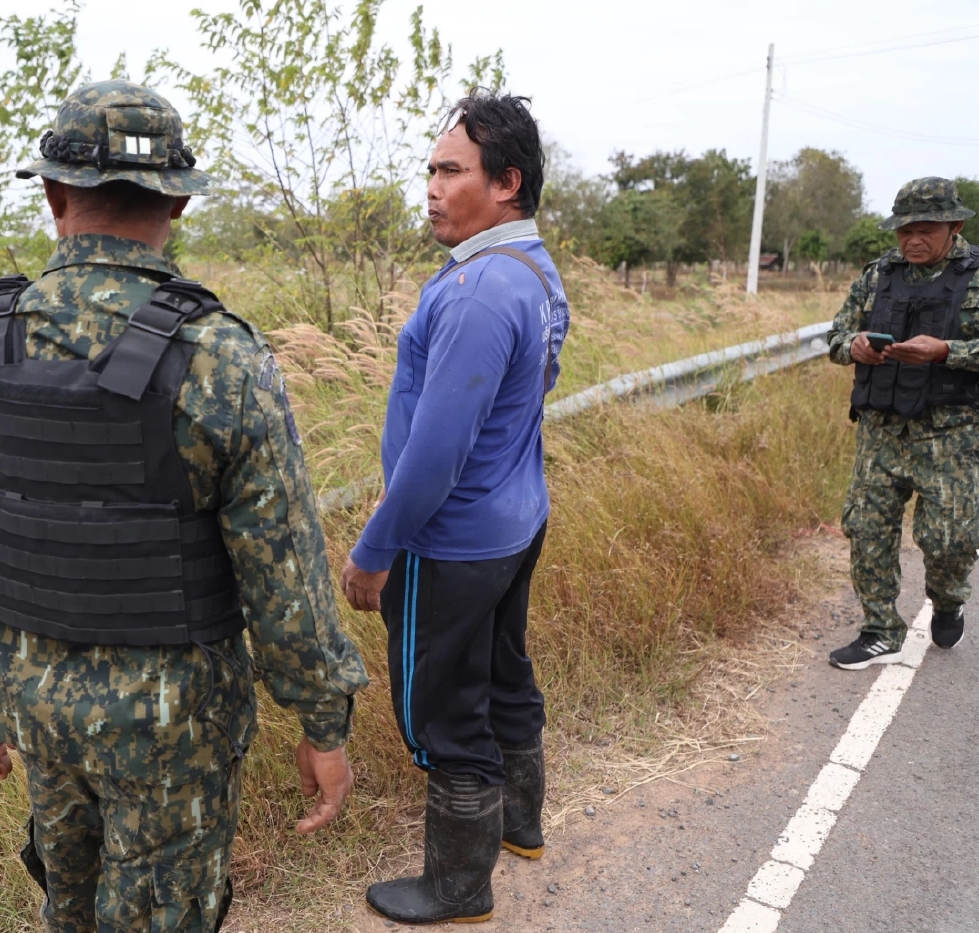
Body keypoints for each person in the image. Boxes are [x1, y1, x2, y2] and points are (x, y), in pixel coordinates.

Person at [0, 80, 368, 932]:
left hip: (31, 701)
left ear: (53, 195)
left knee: (69, 905)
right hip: (174, 725)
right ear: (181, 202)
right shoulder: (222, 360)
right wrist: (322, 720)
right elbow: (285, 571)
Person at [339, 89, 570, 925]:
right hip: (515, 518)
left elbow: (437, 451)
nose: (431, 187)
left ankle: (458, 886)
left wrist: (375, 549)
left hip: (454, 539)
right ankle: (522, 825)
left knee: (441, 709)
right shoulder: (534, 272)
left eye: (450, 170)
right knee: (504, 671)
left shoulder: (477, 291)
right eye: (430, 169)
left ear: (506, 181)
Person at [826, 176, 979, 670]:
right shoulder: (877, 276)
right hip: (881, 429)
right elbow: (836, 334)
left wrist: (946, 352)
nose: (912, 240)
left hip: (951, 434)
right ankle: (879, 631)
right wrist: (853, 346)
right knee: (867, 526)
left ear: (954, 225)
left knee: (951, 538)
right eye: (904, 230)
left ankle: (949, 596)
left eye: (926, 229)